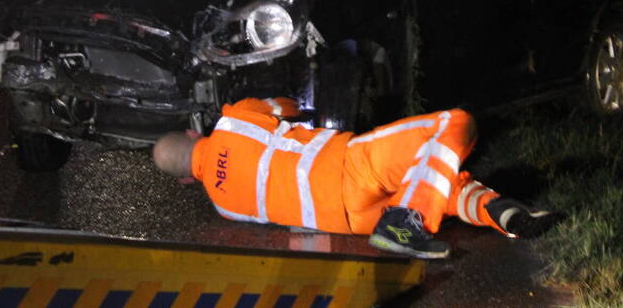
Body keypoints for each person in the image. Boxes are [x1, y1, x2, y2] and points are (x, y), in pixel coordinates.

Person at [153, 97, 558, 259]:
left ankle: (502, 213)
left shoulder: (223, 206)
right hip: (349, 165)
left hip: (350, 221)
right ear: (193, 133)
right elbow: (287, 106)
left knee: (434, 180)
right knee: (453, 125)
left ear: (187, 181)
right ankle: (407, 225)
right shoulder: (233, 118)